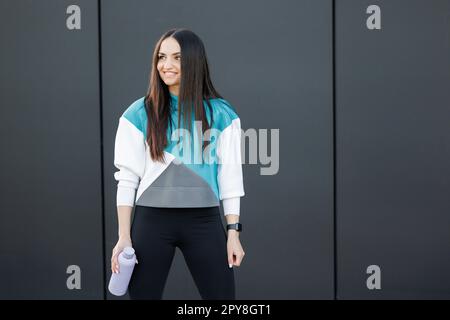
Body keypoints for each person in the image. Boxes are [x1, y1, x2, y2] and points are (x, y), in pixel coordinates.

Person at [110, 28, 246, 300]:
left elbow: (231, 178)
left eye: (177, 58)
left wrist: (233, 232)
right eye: (161, 57)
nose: (166, 65)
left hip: (204, 221)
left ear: (194, 62)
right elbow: (127, 179)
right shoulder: (137, 113)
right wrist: (123, 236)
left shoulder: (222, 114)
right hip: (151, 222)